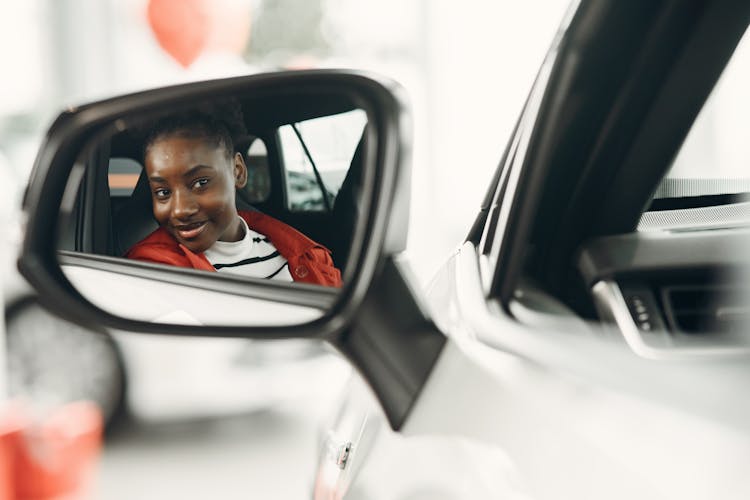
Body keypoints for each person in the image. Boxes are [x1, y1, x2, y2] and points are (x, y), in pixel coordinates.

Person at [125, 107, 342, 287]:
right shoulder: (152, 269)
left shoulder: (310, 258)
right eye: (163, 192)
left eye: (200, 183)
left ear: (238, 171)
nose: (181, 210)